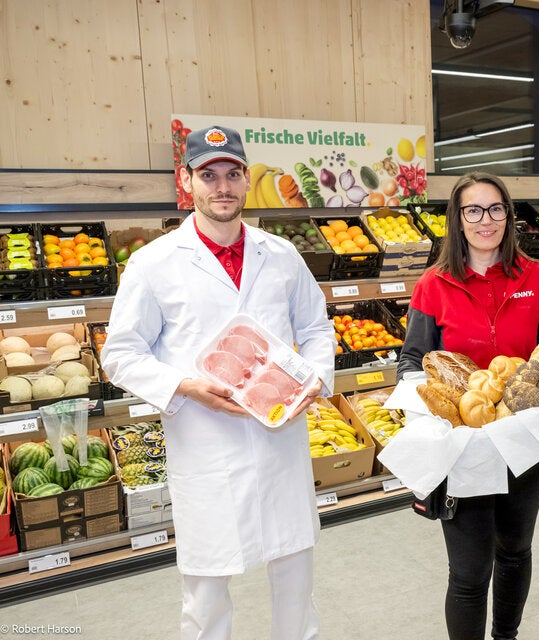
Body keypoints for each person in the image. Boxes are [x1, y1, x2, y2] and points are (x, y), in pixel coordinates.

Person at [101, 125, 337, 640]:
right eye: (209, 175)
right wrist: (185, 386)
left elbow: (317, 328)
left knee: (295, 575)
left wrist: (314, 380)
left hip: (280, 435)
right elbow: (119, 355)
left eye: (232, 174)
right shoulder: (153, 263)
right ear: (187, 182)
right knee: (206, 592)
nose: (222, 186)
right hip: (205, 442)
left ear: (248, 180)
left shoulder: (281, 254)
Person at [397, 172, 539, 640]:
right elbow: (414, 359)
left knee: (515, 550)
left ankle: (506, 636)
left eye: (496, 209)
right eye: (472, 210)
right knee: (470, 572)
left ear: (508, 216)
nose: (485, 220)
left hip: (526, 440)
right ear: (456, 219)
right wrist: (425, 421)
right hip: (463, 448)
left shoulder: (534, 278)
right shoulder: (433, 285)